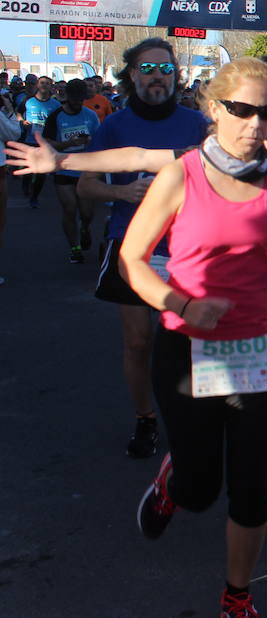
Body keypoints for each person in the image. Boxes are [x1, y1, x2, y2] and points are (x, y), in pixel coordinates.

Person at [122, 57, 267, 618]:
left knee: (251, 485)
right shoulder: (180, 176)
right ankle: (172, 483)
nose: (255, 123)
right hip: (188, 350)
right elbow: (134, 260)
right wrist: (181, 301)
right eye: (242, 110)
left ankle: (237, 595)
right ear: (214, 108)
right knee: (200, 488)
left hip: (260, 344)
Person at [82, 39, 208, 458]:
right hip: (131, 243)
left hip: (188, 247)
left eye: (166, 69)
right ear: (132, 75)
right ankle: (145, 418)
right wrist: (123, 192)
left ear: (177, 76)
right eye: (148, 68)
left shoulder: (197, 123)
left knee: (190, 339)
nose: (158, 76)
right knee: (138, 341)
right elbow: (86, 185)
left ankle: (190, 416)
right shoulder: (113, 127)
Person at [41, 78, 100, 263]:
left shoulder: (90, 115)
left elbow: (99, 139)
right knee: (69, 209)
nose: (78, 103)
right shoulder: (55, 116)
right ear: (67, 97)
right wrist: (68, 143)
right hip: (64, 170)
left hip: (85, 169)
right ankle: (74, 248)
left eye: (81, 100)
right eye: (75, 100)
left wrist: (90, 142)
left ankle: (85, 228)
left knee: (87, 213)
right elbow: (47, 142)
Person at [20, 75, 60, 207]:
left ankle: (34, 196)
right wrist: (22, 121)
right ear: (37, 85)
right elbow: (18, 112)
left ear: (51, 86)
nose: (44, 85)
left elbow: (58, 121)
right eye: (42, 83)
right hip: (30, 139)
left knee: (41, 172)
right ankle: (26, 184)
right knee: (28, 168)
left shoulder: (55, 105)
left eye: (47, 83)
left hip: (45, 141)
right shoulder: (28, 101)